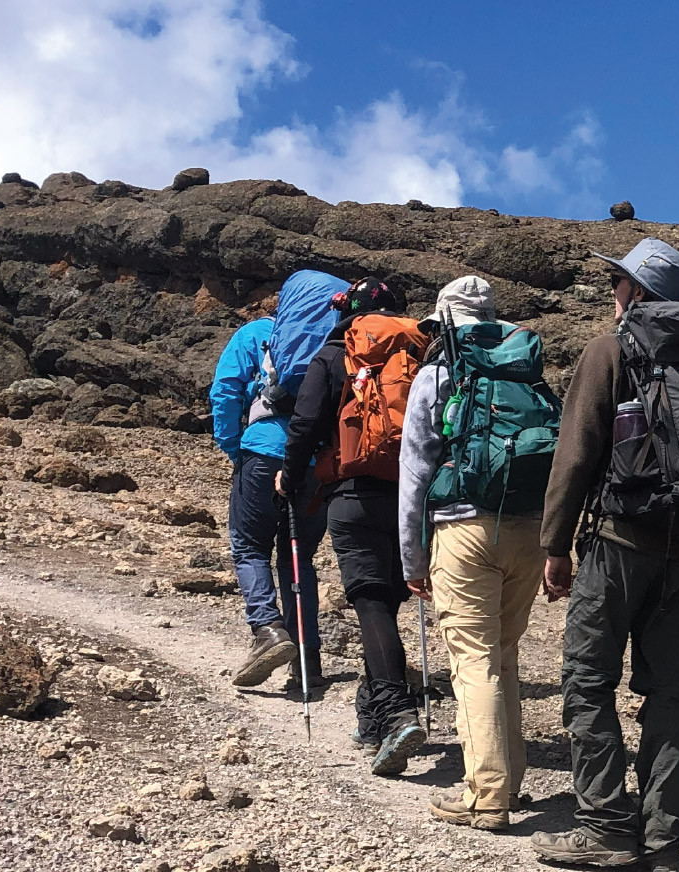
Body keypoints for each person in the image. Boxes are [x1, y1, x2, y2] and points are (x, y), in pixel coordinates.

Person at [529, 237, 679, 872]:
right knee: (669, 692)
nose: (612, 292)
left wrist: (554, 544)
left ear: (638, 292)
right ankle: (665, 841)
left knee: (588, 681)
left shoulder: (611, 349)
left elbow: (575, 455)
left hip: (618, 543)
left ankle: (604, 827)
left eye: (619, 282)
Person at [400, 275, 551, 830]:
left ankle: (485, 794)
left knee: (474, 661)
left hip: (463, 530)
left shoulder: (439, 374)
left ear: (443, 320)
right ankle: (509, 780)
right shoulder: (524, 370)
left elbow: (415, 471)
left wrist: (412, 560)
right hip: (528, 531)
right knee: (505, 655)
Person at [280, 277, 429, 777]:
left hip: (353, 495)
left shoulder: (335, 355)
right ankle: (372, 718)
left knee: (369, 603)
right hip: (411, 497)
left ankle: (396, 709)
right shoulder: (420, 351)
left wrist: (291, 472)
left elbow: (304, 423)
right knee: (384, 605)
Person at [208, 269, 344, 690]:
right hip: (317, 463)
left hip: (263, 454)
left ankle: (267, 630)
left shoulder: (255, 336)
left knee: (250, 546)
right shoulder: (338, 345)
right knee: (298, 557)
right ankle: (308, 661)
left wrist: (237, 449)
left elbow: (226, 392)